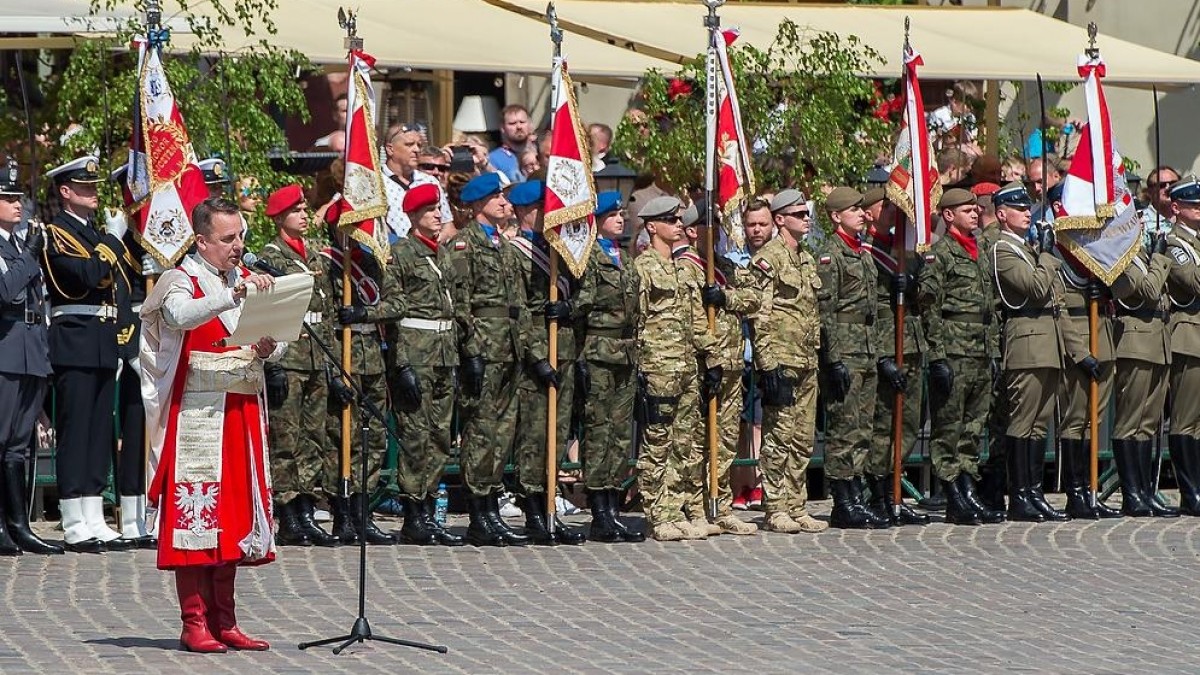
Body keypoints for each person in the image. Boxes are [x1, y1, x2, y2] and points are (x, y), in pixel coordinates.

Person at [140, 196, 278, 653]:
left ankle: (226, 619)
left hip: (241, 413)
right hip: (199, 415)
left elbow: (274, 344)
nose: (238, 246)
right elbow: (179, 317)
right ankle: (193, 621)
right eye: (227, 238)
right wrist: (233, 293)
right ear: (201, 240)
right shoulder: (179, 279)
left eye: (241, 236)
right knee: (197, 517)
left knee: (234, 517)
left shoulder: (244, 278)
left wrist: (267, 346)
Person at [42, 155, 134, 553]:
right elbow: (82, 278)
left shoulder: (95, 233)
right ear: (65, 192)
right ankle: (72, 515)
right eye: (85, 187)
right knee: (76, 429)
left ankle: (94, 512)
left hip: (101, 339)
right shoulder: (56, 233)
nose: (94, 193)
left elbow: (116, 281)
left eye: (95, 187)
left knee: (100, 430)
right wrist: (112, 241)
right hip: (75, 338)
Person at [445, 172, 530, 546]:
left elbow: (519, 305)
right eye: (495, 196)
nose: (503, 202)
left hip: (509, 348)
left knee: (502, 431)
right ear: (478, 204)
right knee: (481, 430)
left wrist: (526, 346)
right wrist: (472, 351)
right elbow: (461, 302)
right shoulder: (465, 245)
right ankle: (479, 511)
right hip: (483, 347)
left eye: (503, 196)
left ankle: (492, 505)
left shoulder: (505, 248)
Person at [256, 184, 338, 547]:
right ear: (279, 217)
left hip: (317, 359)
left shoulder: (316, 256)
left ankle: (306, 508)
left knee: (312, 439)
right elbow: (266, 313)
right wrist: (272, 367)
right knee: (286, 441)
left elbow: (329, 313)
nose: (305, 215)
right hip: (288, 359)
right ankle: (287, 513)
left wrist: (333, 362)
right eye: (297, 210)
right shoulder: (269, 257)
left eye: (306, 210)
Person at [917, 188, 1004, 525]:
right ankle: (953, 494)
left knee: (972, 426)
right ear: (948, 215)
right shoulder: (940, 255)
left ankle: (968, 491)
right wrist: (937, 356)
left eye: (975, 208)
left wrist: (994, 352)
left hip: (980, 350)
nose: (975, 214)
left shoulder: (980, 250)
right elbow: (929, 309)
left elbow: (990, 308)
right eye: (967, 209)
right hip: (953, 351)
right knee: (949, 427)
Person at [505, 179, 585, 545]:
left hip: (564, 346)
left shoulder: (559, 251)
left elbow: (585, 293)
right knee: (535, 434)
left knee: (558, 430)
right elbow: (517, 312)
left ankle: (550, 502)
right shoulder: (514, 252)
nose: (549, 213)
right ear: (524, 211)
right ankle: (534, 507)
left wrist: (569, 306)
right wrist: (538, 356)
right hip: (537, 349)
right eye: (541, 207)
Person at [386, 183, 464, 547]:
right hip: (416, 354)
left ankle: (430, 507)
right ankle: (413, 513)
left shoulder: (444, 254)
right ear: (414, 216)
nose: (438, 214)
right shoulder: (401, 253)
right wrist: (401, 364)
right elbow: (395, 310)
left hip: (445, 354)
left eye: (439, 208)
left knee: (440, 436)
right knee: (416, 435)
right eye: (430, 209)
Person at [675, 200, 758, 536]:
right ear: (693, 231)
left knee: (724, 441)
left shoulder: (723, 266)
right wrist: (709, 356)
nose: (718, 231)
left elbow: (753, 298)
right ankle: (694, 506)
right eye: (710, 225)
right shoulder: (686, 268)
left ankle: (720, 505)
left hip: (733, 363)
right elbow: (689, 319)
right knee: (695, 440)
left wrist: (725, 298)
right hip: (702, 366)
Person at [633, 196, 714, 541]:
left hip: (686, 367)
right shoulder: (642, 267)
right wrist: (639, 369)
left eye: (679, 219)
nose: (679, 224)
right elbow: (636, 319)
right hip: (658, 367)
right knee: (657, 443)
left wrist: (709, 356)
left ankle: (675, 507)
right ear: (652, 226)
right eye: (670, 219)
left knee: (685, 443)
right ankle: (656, 513)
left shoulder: (682, 269)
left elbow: (695, 319)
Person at [747, 189, 827, 534]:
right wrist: (767, 365)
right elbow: (760, 315)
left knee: (802, 437)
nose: (806, 219)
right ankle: (775, 506)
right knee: (779, 436)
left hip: (807, 357)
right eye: (798, 214)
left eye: (806, 213)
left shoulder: (806, 258)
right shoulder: (769, 258)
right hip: (781, 358)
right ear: (780, 219)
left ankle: (796, 504)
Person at [318, 208, 399, 546]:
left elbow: (397, 302)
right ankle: (342, 513)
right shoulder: (325, 263)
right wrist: (331, 368)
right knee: (341, 438)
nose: (352, 234)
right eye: (345, 228)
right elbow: (321, 318)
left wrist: (366, 312)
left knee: (373, 438)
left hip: (371, 356)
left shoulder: (370, 260)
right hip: (343, 355)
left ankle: (363, 512)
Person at [989, 182, 1066, 523]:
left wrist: (1043, 255)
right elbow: (1035, 288)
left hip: (1047, 341)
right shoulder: (1003, 249)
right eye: (1018, 208)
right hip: (1025, 342)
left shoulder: (1029, 249)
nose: (1026, 212)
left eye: (1027, 207)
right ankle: (1019, 495)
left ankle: (1033, 492)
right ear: (1001, 214)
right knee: (1023, 422)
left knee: (1039, 425)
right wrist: (1048, 255)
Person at [814, 187, 887, 529]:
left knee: (863, 428)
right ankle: (842, 500)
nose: (862, 214)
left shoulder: (863, 252)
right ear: (834, 216)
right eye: (854, 209)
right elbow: (826, 311)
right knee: (844, 428)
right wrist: (833, 358)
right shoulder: (832, 255)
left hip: (867, 348)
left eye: (862, 208)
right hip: (845, 347)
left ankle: (856, 495)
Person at [0, 159, 61, 555]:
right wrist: (29, 257)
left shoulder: (21, 244)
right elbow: (6, 290)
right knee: (1, 438)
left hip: (30, 350)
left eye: (18, 197)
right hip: (5, 350)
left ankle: (19, 524)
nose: (17, 204)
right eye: (7, 198)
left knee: (19, 444)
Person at [575, 192, 643, 542]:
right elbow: (581, 308)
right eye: (613, 214)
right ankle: (599, 509)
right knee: (599, 431)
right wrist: (580, 356)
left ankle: (614, 506)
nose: (621, 218)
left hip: (626, 351)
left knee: (619, 434)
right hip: (599, 349)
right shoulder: (588, 258)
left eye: (621, 213)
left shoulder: (624, 258)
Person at [861, 192, 930, 527]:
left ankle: (894, 492)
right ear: (869, 213)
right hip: (885, 348)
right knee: (883, 426)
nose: (894, 212)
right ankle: (876, 493)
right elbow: (863, 313)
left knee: (909, 422)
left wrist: (913, 280)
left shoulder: (902, 250)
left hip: (911, 344)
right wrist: (880, 357)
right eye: (886, 206)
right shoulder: (865, 254)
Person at [1110, 233, 1179, 518]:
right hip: (1135, 343)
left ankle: (1145, 491)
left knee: (1148, 422)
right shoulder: (1120, 259)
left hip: (1158, 342)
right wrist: (1160, 258)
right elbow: (1149, 291)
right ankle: (1131, 494)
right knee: (1131, 421)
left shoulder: (1143, 256)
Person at [108, 166, 156, 548]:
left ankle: (157, 511)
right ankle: (132, 513)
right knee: (135, 428)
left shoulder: (166, 233)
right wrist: (130, 346)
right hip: (133, 344)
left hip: (163, 342)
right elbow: (119, 297)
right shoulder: (120, 239)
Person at [1164, 175, 1200, 517]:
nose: (1199, 210)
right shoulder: (1175, 243)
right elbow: (1191, 281)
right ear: (1176, 208)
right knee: (1185, 420)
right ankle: (1190, 491)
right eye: (1193, 205)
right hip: (1189, 335)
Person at [381, 122, 452, 241]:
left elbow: (448, 226)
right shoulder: (376, 183)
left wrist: (432, 245)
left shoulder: (429, 181)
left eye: (419, 145)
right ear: (390, 149)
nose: (416, 150)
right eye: (409, 145)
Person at [488, 104, 533, 184]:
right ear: (502, 128)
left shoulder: (541, 152)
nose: (519, 126)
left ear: (529, 124)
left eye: (522, 122)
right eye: (512, 123)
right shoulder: (493, 159)